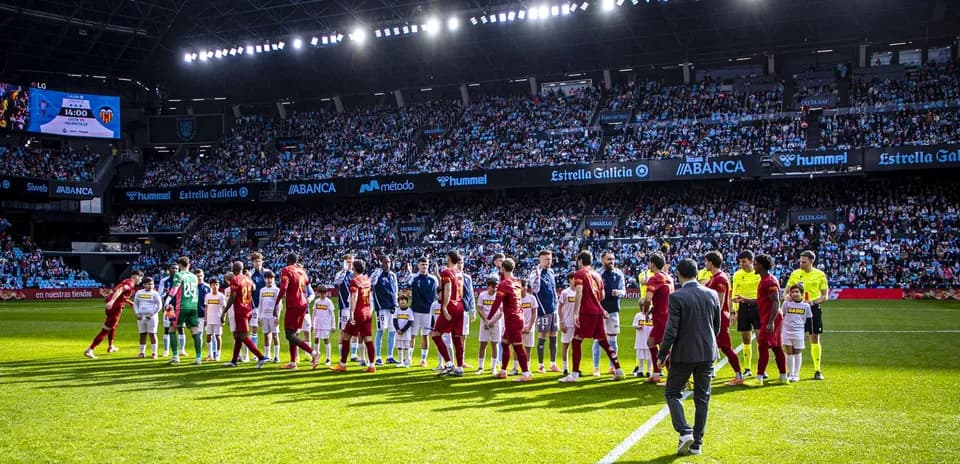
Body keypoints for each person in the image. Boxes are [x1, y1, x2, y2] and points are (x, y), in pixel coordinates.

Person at [658, 259, 721, 457]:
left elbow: (671, 329)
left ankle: (685, 431)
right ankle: (697, 444)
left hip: (684, 353)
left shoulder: (677, 296)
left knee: (672, 393)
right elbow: (716, 326)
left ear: (679, 274)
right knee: (703, 398)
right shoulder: (711, 294)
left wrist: (662, 354)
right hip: (707, 352)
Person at [559, 251, 625, 383]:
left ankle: (574, 373)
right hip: (597, 313)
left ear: (580, 261)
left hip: (586, 312)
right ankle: (618, 369)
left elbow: (579, 292)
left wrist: (576, 312)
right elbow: (602, 295)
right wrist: (599, 307)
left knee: (576, 341)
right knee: (604, 342)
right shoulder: (597, 275)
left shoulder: (580, 273)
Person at [484, 258, 533, 382]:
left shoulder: (504, 284)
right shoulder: (517, 281)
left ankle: (526, 373)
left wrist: (488, 318)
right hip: (518, 316)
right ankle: (503, 371)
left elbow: (496, 303)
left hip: (512, 319)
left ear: (503, 269)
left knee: (518, 346)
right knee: (505, 343)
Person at [785, 250, 830, 380]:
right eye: (800, 261)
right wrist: (790, 299)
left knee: (814, 338)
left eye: (804, 262)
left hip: (813, 309)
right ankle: (791, 372)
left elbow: (825, 296)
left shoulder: (820, 275)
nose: (801, 264)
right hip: (796, 310)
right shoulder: (795, 274)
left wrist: (812, 302)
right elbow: (786, 292)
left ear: (811, 261)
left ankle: (817, 370)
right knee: (793, 340)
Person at [704, 251, 744, 386]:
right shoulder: (714, 277)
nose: (705, 264)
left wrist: (713, 318)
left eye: (706, 261)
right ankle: (707, 373)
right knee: (709, 345)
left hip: (719, 318)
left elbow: (720, 302)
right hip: (716, 317)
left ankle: (739, 375)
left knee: (726, 347)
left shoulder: (720, 278)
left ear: (711, 262)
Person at [275, 253, 319, 370]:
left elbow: (283, 288)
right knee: (292, 332)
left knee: (289, 334)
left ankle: (313, 353)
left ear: (287, 260)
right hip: (303, 304)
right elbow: (307, 284)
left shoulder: (286, 270)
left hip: (293, 304)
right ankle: (293, 362)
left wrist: (277, 303)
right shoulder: (302, 271)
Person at [222, 261, 270, 368]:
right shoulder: (247, 278)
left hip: (240, 310)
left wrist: (224, 311)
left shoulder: (235, 279)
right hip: (248, 309)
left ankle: (261, 357)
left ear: (233, 270)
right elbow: (253, 288)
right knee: (239, 336)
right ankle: (234, 361)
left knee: (243, 336)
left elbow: (233, 297)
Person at [84, 270, 143, 359]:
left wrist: (128, 301)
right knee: (106, 330)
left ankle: (111, 346)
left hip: (113, 307)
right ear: (137, 277)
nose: (141, 281)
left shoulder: (126, 281)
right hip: (116, 308)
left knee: (113, 326)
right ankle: (90, 350)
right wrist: (112, 301)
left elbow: (120, 294)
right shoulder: (130, 284)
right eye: (141, 278)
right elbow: (120, 290)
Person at [749, 254, 787, 385]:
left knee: (763, 346)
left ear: (761, 265)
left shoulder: (769, 281)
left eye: (755, 263)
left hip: (772, 318)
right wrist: (746, 300)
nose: (753, 266)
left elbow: (776, 302)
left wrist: (770, 322)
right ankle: (783, 377)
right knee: (776, 347)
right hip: (769, 317)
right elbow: (763, 300)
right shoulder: (764, 279)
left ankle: (759, 378)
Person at [332, 259, 376, 373]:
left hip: (358, 313)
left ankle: (342, 364)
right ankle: (371, 365)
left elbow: (354, 297)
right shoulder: (367, 280)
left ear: (354, 269)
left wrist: (351, 313)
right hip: (367, 313)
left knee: (345, 337)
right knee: (368, 339)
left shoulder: (354, 281)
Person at [162, 257, 204, 365]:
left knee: (172, 329)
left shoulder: (179, 275)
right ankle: (198, 357)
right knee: (195, 332)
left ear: (180, 265)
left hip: (180, 307)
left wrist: (167, 300)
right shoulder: (194, 277)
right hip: (193, 307)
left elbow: (175, 288)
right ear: (189, 264)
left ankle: (175, 356)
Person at [432, 251, 467, 377]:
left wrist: (445, 307)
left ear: (448, 258)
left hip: (451, 305)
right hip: (460, 305)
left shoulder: (447, 272)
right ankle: (459, 367)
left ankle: (448, 363)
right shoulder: (459, 272)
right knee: (457, 337)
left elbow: (447, 290)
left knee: (436, 334)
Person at [641, 254, 674, 384]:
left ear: (653, 264)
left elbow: (648, 298)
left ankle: (673, 376)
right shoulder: (669, 277)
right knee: (655, 343)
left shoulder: (655, 278)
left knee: (659, 345)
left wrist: (645, 310)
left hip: (661, 318)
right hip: (669, 315)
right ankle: (656, 373)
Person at [528, 250, 560, 374]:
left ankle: (553, 364)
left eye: (550, 259)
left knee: (554, 336)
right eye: (546, 259)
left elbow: (553, 290)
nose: (549, 261)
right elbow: (535, 289)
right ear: (540, 260)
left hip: (553, 310)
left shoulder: (551, 272)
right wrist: (536, 277)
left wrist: (556, 305)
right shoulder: (535, 273)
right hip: (543, 311)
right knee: (542, 336)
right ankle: (541, 365)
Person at [595, 252, 625, 376]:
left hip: (613, 310)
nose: (611, 261)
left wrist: (617, 292)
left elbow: (623, 291)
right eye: (608, 259)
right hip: (600, 311)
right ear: (602, 260)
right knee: (597, 340)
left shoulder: (619, 273)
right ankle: (596, 367)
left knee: (613, 340)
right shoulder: (597, 274)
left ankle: (612, 366)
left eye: (612, 259)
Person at [732, 250, 761, 378]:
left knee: (761, 338)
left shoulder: (758, 274)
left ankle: (762, 368)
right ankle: (747, 368)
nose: (741, 264)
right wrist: (734, 310)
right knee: (746, 338)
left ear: (751, 261)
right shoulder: (737, 274)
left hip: (757, 307)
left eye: (744, 261)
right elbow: (734, 293)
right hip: (743, 308)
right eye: (740, 262)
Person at [780, 285, 813, 382]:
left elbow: (809, 320)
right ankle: (790, 373)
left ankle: (796, 374)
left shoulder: (806, 306)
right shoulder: (786, 304)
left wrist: (808, 333)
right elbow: (782, 315)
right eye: (792, 292)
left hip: (799, 331)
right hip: (786, 330)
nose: (794, 293)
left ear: (801, 293)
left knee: (797, 352)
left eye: (797, 291)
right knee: (789, 352)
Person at [371, 255, 399, 365]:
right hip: (381, 308)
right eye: (385, 262)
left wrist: (395, 304)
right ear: (381, 263)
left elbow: (395, 291)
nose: (387, 264)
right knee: (380, 331)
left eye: (389, 262)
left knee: (392, 331)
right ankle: (377, 357)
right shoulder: (377, 274)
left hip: (392, 308)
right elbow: (371, 283)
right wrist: (377, 271)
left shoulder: (393, 275)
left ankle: (390, 356)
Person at [409, 257, 437, 367]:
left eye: (426, 264)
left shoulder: (433, 279)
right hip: (415, 311)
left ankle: (423, 359)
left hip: (428, 312)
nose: (424, 266)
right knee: (412, 335)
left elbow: (438, 292)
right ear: (418, 265)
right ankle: (409, 358)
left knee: (425, 336)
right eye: (422, 264)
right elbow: (406, 287)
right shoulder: (413, 278)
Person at [476, 277, 502, 375]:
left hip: (495, 322)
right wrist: (486, 321)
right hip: (485, 322)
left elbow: (501, 312)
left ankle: (493, 367)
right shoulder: (482, 295)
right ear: (488, 286)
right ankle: (480, 367)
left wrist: (492, 321)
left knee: (494, 344)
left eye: (496, 287)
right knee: (483, 344)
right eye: (493, 287)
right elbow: (479, 309)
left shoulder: (499, 296)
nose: (495, 289)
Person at [334, 254, 358, 361]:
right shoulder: (340, 274)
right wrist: (344, 271)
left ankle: (353, 355)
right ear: (344, 262)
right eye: (348, 261)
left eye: (352, 261)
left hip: (355, 307)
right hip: (344, 307)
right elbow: (336, 283)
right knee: (343, 331)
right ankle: (341, 355)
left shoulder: (355, 274)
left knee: (355, 331)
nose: (350, 263)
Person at [133, 277, 162, 359]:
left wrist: (152, 314)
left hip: (151, 317)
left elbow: (159, 306)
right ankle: (142, 352)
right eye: (149, 284)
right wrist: (137, 313)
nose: (151, 286)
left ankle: (154, 353)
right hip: (141, 316)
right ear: (144, 285)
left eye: (152, 284)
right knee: (142, 334)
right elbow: (135, 304)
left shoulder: (155, 294)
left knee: (152, 334)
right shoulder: (139, 293)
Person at [158, 264, 183, 357]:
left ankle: (182, 350)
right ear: (169, 269)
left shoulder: (181, 280)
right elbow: (159, 295)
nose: (175, 270)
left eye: (176, 268)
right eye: (173, 268)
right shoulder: (164, 281)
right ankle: (166, 350)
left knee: (180, 328)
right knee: (168, 328)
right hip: (170, 308)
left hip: (179, 307)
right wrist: (165, 293)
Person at [258, 271, 281, 363]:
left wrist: (277, 317)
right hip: (264, 315)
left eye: (271, 278)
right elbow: (260, 303)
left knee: (275, 335)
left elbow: (279, 305)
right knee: (266, 335)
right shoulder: (262, 290)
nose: (269, 280)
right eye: (267, 278)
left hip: (273, 316)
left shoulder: (276, 290)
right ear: (265, 279)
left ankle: (276, 356)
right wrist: (259, 316)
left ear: (273, 279)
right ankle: (267, 355)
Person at [250, 252, 269, 355]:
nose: (258, 263)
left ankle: (268, 354)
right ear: (253, 263)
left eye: (259, 261)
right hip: (255, 305)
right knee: (254, 328)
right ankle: (254, 353)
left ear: (262, 261)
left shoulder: (267, 272)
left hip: (267, 306)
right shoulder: (250, 274)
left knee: (268, 330)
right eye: (256, 261)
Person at [311, 285, 336, 366]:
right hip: (317, 324)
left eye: (324, 293)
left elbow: (332, 314)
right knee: (316, 339)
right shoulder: (316, 301)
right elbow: (313, 313)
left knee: (326, 340)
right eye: (321, 293)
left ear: (326, 293)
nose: (323, 295)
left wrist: (333, 325)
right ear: (318, 293)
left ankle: (328, 358)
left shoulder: (329, 302)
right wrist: (312, 324)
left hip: (325, 325)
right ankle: (315, 357)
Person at [558, 272, 576, 376]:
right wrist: (562, 321)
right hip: (567, 322)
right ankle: (565, 368)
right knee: (565, 345)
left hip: (576, 323)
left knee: (576, 346)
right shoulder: (565, 293)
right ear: (569, 280)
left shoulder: (579, 292)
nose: (576, 280)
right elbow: (559, 307)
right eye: (574, 278)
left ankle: (575, 368)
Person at [203, 279, 226, 361]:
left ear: (219, 285)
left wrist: (223, 318)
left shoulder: (221, 296)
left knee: (218, 336)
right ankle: (210, 354)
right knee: (208, 336)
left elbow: (224, 308)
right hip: (209, 319)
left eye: (216, 284)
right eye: (213, 284)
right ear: (210, 286)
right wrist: (205, 319)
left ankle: (218, 354)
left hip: (218, 319)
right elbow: (206, 307)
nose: (215, 286)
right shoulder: (207, 296)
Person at [459, 260, 475, 370]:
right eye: (458, 262)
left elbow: (471, 294)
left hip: (464, 311)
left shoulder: (467, 278)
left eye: (462, 263)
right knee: (450, 337)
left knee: (463, 337)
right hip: (453, 311)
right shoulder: (451, 276)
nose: (460, 265)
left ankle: (461, 361)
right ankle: (448, 361)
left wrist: (473, 310)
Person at [393, 295, 415, 367]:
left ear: (407, 302)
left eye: (404, 300)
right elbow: (394, 320)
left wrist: (403, 330)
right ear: (398, 302)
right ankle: (400, 361)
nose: (402, 301)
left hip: (406, 333)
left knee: (406, 347)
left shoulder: (409, 311)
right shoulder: (397, 310)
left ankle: (407, 362)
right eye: (401, 300)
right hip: (398, 332)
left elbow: (410, 322)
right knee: (399, 347)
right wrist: (397, 329)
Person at [632, 310, 653, 378]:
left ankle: (649, 371)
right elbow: (634, 325)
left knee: (650, 356)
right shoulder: (638, 315)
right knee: (640, 356)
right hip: (640, 340)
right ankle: (640, 370)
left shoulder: (652, 315)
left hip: (649, 340)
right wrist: (638, 327)